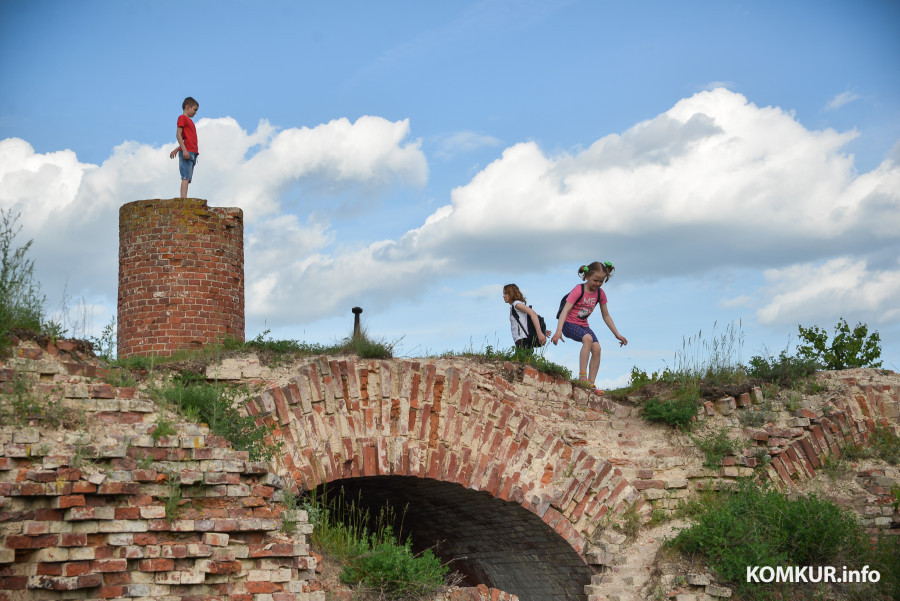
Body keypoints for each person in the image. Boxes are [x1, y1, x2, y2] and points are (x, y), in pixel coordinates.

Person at [551, 262, 628, 394]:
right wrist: (558, 331)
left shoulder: (600, 294)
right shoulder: (578, 290)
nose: (598, 284)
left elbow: (606, 315)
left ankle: (591, 385)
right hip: (569, 324)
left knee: (597, 348)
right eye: (595, 280)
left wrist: (617, 334)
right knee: (588, 339)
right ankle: (582, 378)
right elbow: (565, 310)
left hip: (583, 325)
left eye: (601, 281)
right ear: (586, 276)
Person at [169, 97, 199, 199]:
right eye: (194, 110)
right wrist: (184, 151)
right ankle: (183, 199)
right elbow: (178, 134)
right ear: (187, 107)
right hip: (188, 152)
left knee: (188, 178)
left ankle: (184, 197)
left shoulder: (190, 121)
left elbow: (186, 140)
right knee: (185, 177)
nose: (195, 112)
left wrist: (177, 149)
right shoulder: (182, 118)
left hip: (192, 152)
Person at [503, 284, 548, 352]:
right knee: (524, 360)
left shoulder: (516, 304)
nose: (503, 296)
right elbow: (527, 322)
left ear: (511, 293)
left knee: (521, 360)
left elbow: (533, 314)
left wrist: (539, 333)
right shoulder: (515, 306)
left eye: (506, 293)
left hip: (523, 340)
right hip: (523, 340)